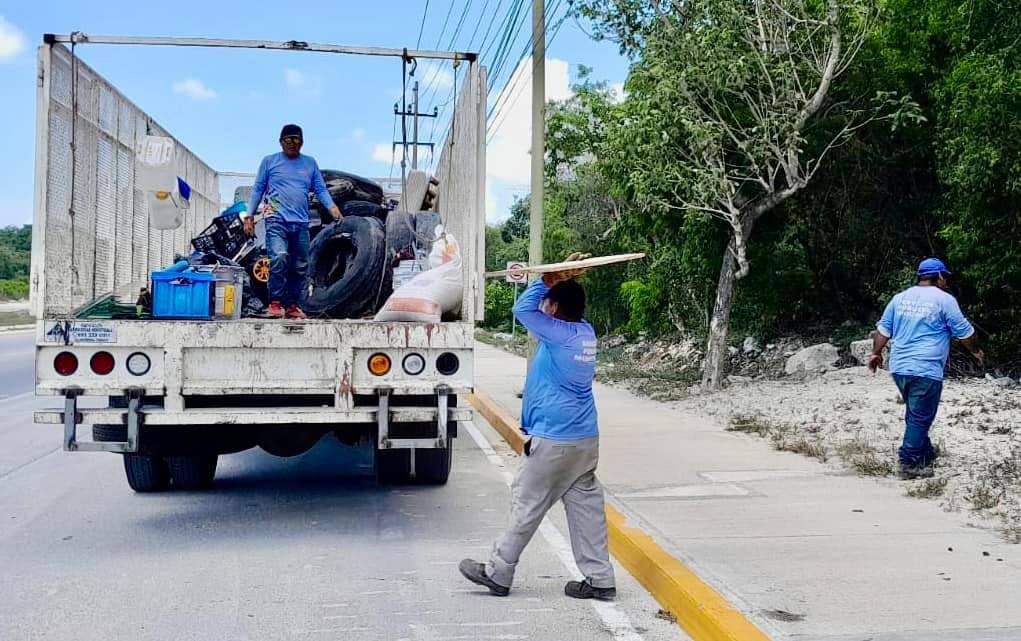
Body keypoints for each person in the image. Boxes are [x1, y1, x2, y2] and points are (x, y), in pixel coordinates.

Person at [459, 253, 616, 600]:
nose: (543, 308)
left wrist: (549, 279)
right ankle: (600, 579)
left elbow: (522, 310)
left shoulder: (559, 335)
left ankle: (498, 573)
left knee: (527, 504)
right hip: (584, 440)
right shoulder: (584, 333)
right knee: (586, 509)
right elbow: (535, 311)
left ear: (556, 310)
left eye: (548, 303)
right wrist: (558, 279)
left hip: (554, 442)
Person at [869, 257, 984, 479]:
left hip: (900, 367)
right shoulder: (945, 300)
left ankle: (925, 452)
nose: (947, 281)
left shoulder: (899, 298)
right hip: (926, 367)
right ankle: (908, 462)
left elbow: (883, 331)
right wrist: (976, 351)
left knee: (916, 411)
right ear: (939, 276)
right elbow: (965, 333)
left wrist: (876, 353)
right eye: (945, 276)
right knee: (921, 416)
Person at [246, 124, 341, 319]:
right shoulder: (269, 162)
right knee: (279, 257)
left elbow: (320, 189)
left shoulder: (309, 164)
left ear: (302, 142)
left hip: (300, 223)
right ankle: (275, 302)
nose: (292, 143)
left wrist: (332, 207)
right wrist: (249, 216)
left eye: (296, 139)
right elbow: (258, 189)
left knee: (299, 265)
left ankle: (292, 305)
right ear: (281, 142)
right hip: (276, 220)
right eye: (288, 140)